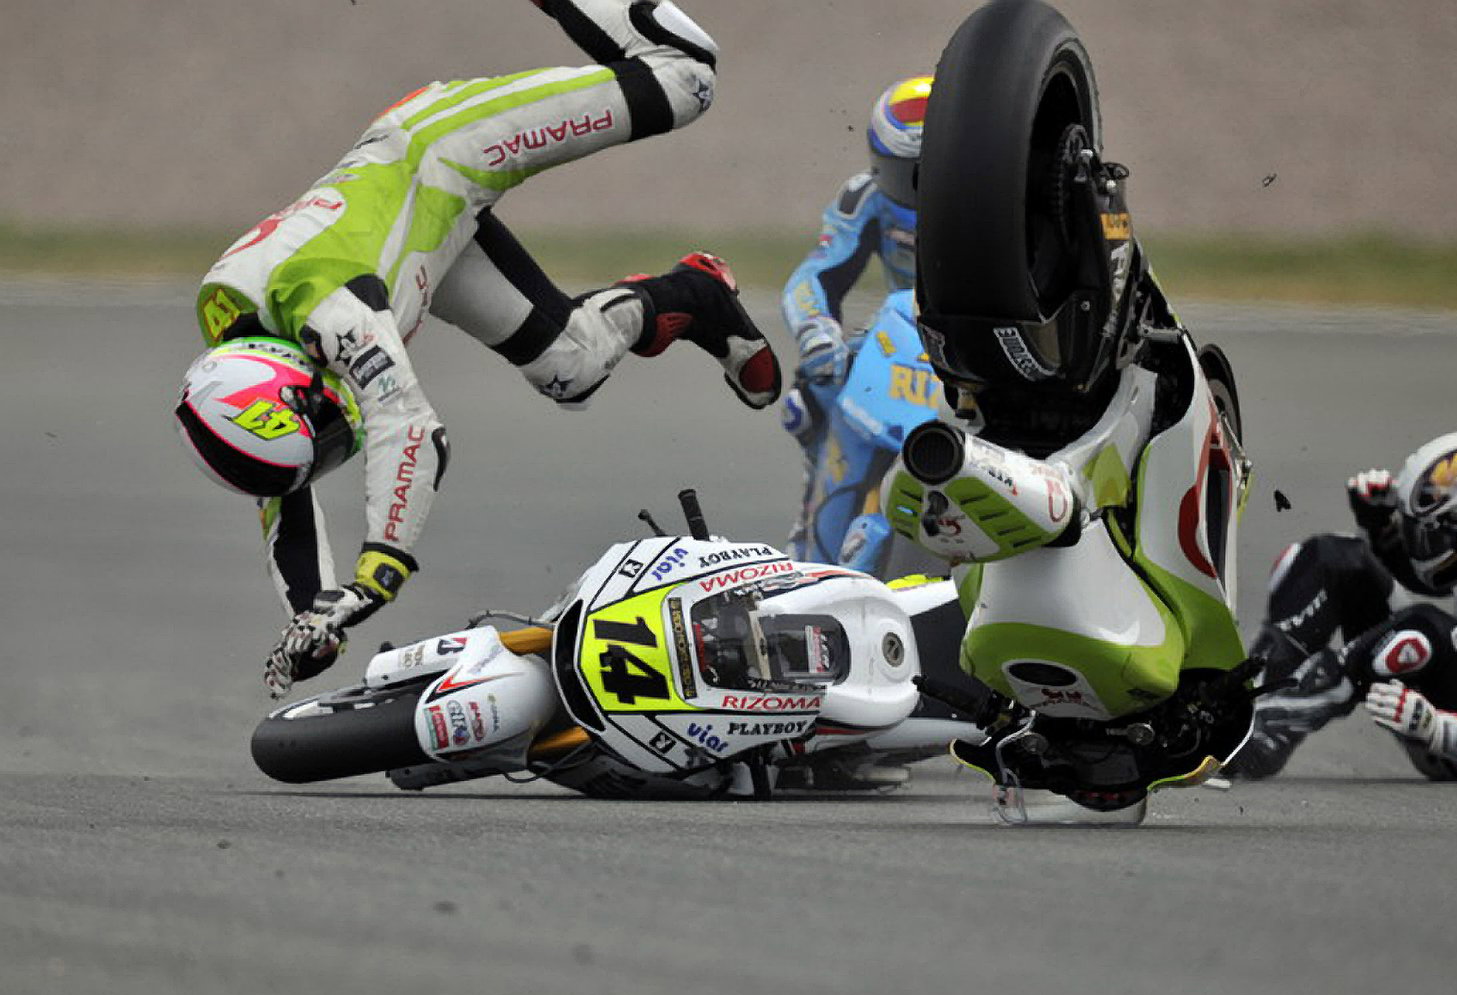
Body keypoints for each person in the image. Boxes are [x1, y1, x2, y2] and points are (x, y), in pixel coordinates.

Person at [172, 0, 779, 699]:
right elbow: (284, 491)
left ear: (289, 382)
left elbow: (412, 430)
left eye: (330, 432)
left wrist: (373, 579)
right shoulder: (248, 363)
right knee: (572, 368)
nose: (343, 438)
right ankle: (696, 294)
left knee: (686, 79)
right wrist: (314, 615)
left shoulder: (326, 304)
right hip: (428, 237)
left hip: (443, 147)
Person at [1232, 431, 1457, 781]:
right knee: (1331, 558)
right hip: (1444, 678)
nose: (1424, 545)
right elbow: (1434, 576)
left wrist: (1437, 729)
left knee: (1426, 628)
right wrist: (1380, 530)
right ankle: (1245, 702)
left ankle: (1274, 722)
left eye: (1437, 533)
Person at [775, 75, 931, 479]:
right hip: (907, 333)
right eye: (907, 173)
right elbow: (815, 274)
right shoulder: (866, 197)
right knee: (809, 398)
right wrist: (817, 332)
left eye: (935, 172)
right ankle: (825, 497)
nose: (920, 190)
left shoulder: (1005, 199)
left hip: (989, 336)